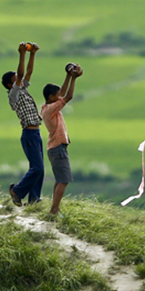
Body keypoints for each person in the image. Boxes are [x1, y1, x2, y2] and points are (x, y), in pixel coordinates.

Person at [2, 42, 44, 206]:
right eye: (15, 79)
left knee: (39, 169)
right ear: (9, 84)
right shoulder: (14, 94)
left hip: (36, 132)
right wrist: (21, 54)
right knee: (37, 168)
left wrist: (32, 54)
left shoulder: (22, 89)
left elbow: (28, 72)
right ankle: (17, 191)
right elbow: (21, 74)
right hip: (29, 133)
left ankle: (34, 199)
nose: (19, 80)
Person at [41, 62, 82, 216]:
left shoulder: (48, 107)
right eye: (57, 96)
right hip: (57, 148)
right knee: (64, 180)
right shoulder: (51, 109)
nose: (60, 97)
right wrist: (74, 79)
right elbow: (68, 96)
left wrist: (68, 75)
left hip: (56, 148)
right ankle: (54, 210)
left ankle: (55, 208)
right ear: (51, 97)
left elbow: (63, 94)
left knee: (60, 180)